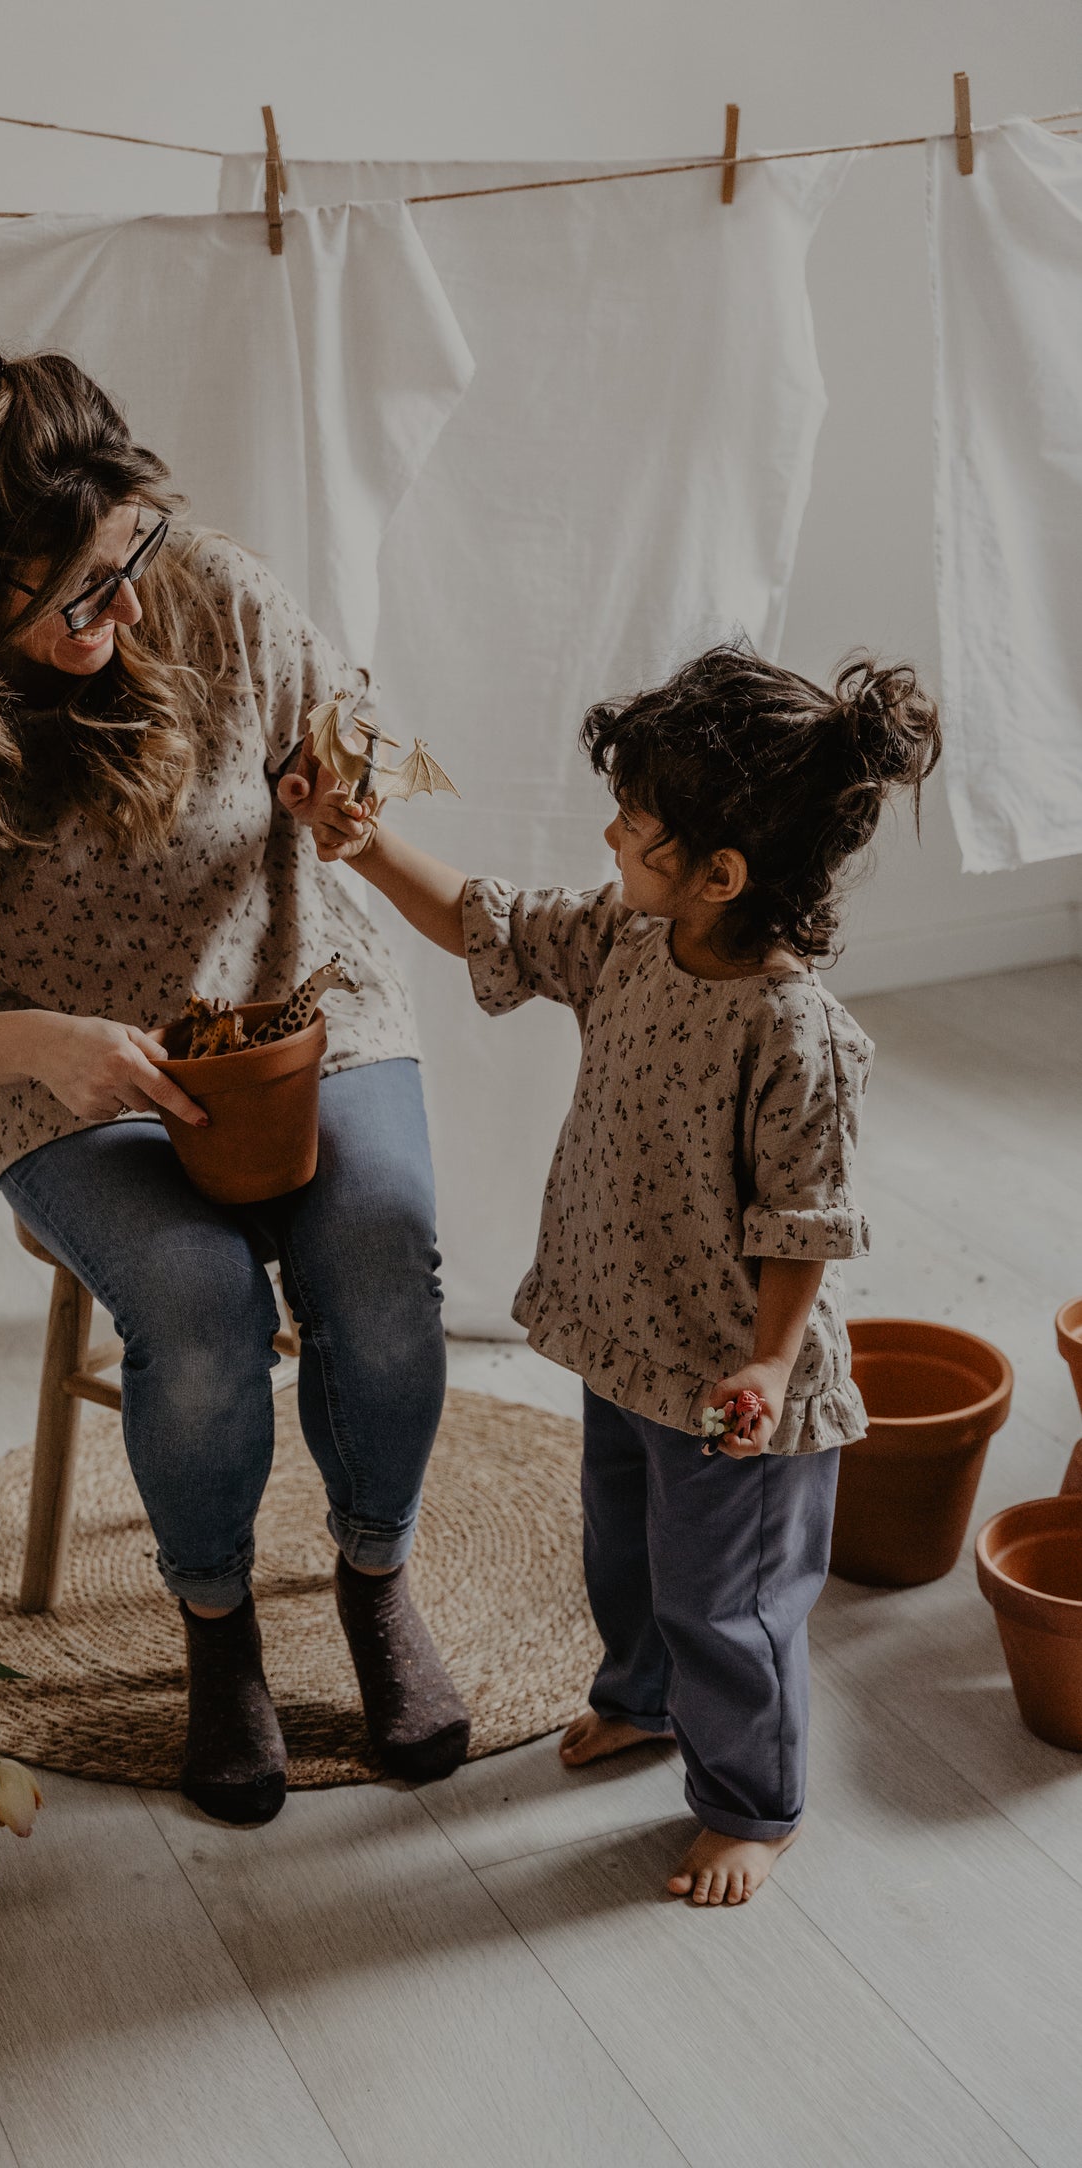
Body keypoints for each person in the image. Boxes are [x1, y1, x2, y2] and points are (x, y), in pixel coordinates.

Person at [0, 332, 470, 1828]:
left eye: (131, 555)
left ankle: (374, 1579)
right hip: (53, 1069)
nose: (133, 603)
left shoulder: (213, 591)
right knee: (199, 1307)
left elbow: (360, 730)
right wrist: (49, 1044)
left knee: (383, 1257)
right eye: (84, 590)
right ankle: (217, 1631)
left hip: (298, 999)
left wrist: (350, 784)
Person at [283, 642, 941, 1903]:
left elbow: (801, 1222)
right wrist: (361, 843)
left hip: (728, 1387)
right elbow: (487, 919)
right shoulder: (629, 935)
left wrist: (768, 1361)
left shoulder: (792, 1032)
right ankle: (641, 1698)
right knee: (625, 1555)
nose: (608, 835)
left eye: (633, 825)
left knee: (725, 1600)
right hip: (624, 1339)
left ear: (718, 872)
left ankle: (751, 1803)